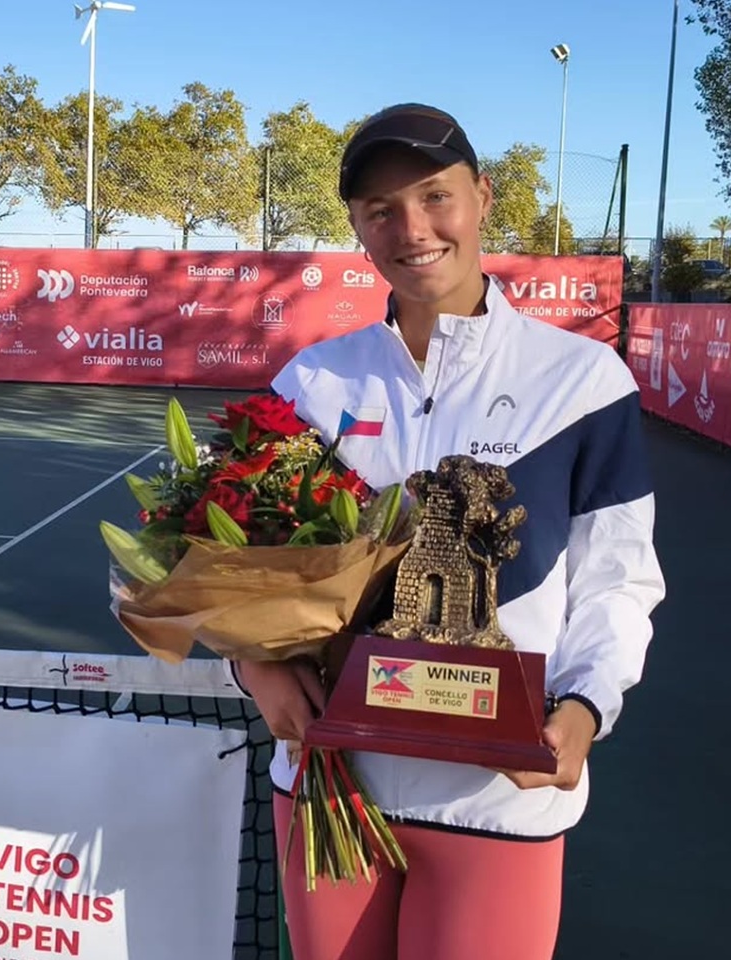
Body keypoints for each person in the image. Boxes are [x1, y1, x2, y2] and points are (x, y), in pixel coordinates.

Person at [229, 103, 666, 960]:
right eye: (380, 209)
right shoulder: (311, 382)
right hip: (331, 783)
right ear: (357, 227)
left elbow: (618, 578)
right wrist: (255, 664)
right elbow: (237, 563)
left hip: (495, 802)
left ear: (482, 198)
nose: (413, 229)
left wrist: (585, 708)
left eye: (435, 196)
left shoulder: (582, 381)